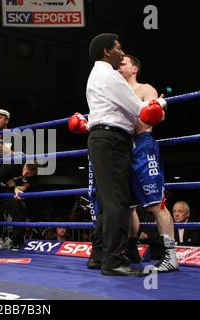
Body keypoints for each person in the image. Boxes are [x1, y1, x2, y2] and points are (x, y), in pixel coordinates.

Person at [70, 33, 166, 276]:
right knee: (118, 203)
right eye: (119, 49)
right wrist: (161, 104)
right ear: (106, 51)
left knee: (106, 202)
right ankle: (114, 261)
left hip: (101, 139)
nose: (122, 54)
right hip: (112, 140)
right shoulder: (110, 76)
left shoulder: (95, 75)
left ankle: (99, 255)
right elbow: (139, 111)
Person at [118, 55, 179, 272]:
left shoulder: (145, 88)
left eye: (122, 63)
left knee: (156, 203)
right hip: (123, 148)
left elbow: (159, 115)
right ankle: (131, 250)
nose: (118, 66)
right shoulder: (117, 92)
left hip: (143, 147)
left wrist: (153, 107)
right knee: (128, 206)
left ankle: (170, 256)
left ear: (134, 68)